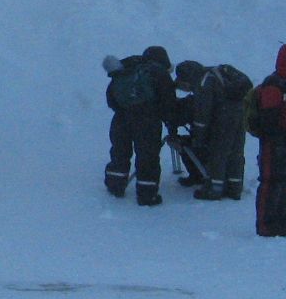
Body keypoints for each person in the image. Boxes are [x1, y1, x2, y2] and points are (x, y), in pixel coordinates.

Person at [103, 45, 176, 206]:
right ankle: (147, 195)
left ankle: (115, 185)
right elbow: (169, 104)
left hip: (121, 119)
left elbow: (111, 97)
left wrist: (125, 111)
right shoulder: (159, 73)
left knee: (120, 152)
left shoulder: (126, 69)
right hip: (147, 121)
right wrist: (167, 120)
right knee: (147, 156)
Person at [253, 43, 286, 237]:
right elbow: (270, 121)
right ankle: (266, 224)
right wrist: (280, 140)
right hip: (273, 145)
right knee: (271, 182)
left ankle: (280, 220)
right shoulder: (274, 86)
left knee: (284, 182)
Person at [192, 63, 254, 201]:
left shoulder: (205, 80)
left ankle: (214, 190)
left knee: (218, 153)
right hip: (240, 113)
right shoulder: (222, 73)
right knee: (236, 152)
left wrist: (199, 136)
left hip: (223, 118)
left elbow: (203, 112)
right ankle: (235, 188)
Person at [171, 60, 211, 188]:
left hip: (210, 136)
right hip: (219, 132)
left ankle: (200, 175)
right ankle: (200, 174)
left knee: (185, 144)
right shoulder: (208, 85)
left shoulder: (202, 92)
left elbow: (197, 116)